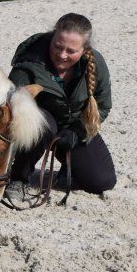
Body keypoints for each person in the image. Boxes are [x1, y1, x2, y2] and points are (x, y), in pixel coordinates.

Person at [8, 13, 116, 195]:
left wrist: (78, 132)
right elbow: (11, 108)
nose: (62, 55)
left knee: (102, 182)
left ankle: (69, 167)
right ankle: (19, 177)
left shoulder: (95, 62)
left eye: (71, 51)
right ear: (52, 37)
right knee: (41, 123)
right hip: (39, 127)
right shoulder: (29, 61)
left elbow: (103, 106)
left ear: (85, 49)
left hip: (73, 126)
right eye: (57, 46)